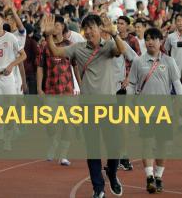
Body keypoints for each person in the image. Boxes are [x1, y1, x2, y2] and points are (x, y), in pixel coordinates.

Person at [43, 14, 126, 198]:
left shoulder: (109, 46)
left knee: (115, 147)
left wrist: (114, 33)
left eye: (91, 27)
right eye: (85, 28)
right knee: (93, 148)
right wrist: (48, 36)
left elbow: (121, 51)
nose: (88, 32)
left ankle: (112, 174)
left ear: (99, 28)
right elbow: (56, 52)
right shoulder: (78, 48)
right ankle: (98, 188)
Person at [127, 27, 182, 194]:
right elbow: (131, 84)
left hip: (165, 111)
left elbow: (177, 83)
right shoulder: (138, 61)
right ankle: (150, 177)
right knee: (148, 142)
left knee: (163, 145)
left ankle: (158, 176)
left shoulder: (169, 61)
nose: (150, 42)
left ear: (160, 41)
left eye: (153, 39)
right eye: (147, 39)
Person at [37, 15, 74, 166]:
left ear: (63, 27)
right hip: (50, 88)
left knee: (68, 122)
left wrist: (81, 85)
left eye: (58, 25)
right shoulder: (45, 46)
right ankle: (53, 141)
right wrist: (39, 88)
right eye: (53, 25)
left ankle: (63, 154)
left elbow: (76, 66)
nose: (55, 27)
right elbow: (40, 67)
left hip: (67, 89)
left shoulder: (70, 45)